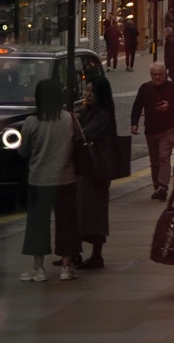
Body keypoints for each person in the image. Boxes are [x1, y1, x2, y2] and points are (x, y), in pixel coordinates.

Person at [17, 79, 79, 282]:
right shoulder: (68, 118)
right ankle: (66, 267)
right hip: (65, 178)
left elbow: (23, 151)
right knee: (66, 223)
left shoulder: (31, 122)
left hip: (39, 180)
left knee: (37, 224)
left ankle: (38, 268)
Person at [75, 76, 117, 269]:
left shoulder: (102, 114)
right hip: (88, 168)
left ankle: (96, 255)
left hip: (96, 169)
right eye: (87, 90)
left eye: (92, 91)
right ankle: (77, 251)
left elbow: (85, 134)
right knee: (82, 211)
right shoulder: (89, 111)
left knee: (94, 213)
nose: (88, 94)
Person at [131, 62, 174, 201]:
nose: (157, 77)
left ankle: (163, 186)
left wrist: (169, 106)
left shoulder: (172, 87)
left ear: (165, 74)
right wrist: (134, 123)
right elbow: (137, 106)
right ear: (151, 75)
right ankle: (157, 186)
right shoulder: (144, 88)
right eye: (154, 75)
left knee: (164, 157)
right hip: (151, 129)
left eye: (160, 74)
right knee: (154, 160)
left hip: (169, 129)